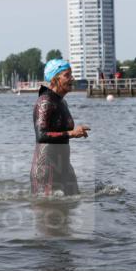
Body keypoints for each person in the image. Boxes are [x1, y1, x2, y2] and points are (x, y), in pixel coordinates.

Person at [30, 59, 90, 196]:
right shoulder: (45, 102)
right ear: (55, 79)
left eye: (71, 75)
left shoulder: (62, 102)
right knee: (50, 215)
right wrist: (71, 134)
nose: (72, 79)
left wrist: (74, 133)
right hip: (46, 171)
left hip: (65, 168)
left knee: (72, 211)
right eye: (67, 75)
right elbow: (41, 136)